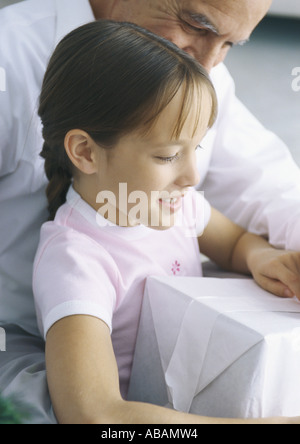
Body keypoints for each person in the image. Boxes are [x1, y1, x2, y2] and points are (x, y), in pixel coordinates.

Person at [0, 0, 299, 423]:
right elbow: (96, 415)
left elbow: (246, 221)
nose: (193, 175)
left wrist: (262, 257)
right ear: (84, 151)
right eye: (197, 23)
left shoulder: (171, 204)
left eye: (230, 44)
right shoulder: (76, 260)